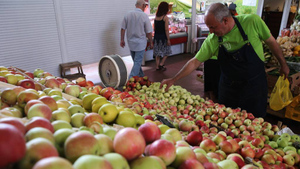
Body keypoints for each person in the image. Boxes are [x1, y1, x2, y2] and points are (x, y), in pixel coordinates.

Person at [160, 3, 289, 118]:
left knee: (255, 121)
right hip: (229, 89)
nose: (210, 31)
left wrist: (283, 64)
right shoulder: (213, 39)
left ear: (226, 20)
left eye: (213, 27)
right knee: (227, 121)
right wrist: (174, 79)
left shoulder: (251, 22)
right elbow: (195, 61)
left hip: (254, 87)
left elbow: (271, 42)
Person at [120, 0, 153, 79]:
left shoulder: (128, 14)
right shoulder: (144, 16)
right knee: (137, 62)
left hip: (131, 43)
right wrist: (151, 42)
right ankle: (130, 80)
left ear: (136, 5)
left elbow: (123, 28)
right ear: (143, 6)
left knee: (136, 62)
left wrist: (122, 40)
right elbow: (148, 32)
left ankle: (141, 76)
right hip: (140, 44)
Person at [153, 1, 172, 71]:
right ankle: (161, 64)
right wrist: (168, 39)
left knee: (157, 53)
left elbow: (154, 28)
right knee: (167, 51)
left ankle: (157, 66)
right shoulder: (165, 17)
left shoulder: (156, 17)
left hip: (156, 37)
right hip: (163, 37)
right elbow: (166, 29)